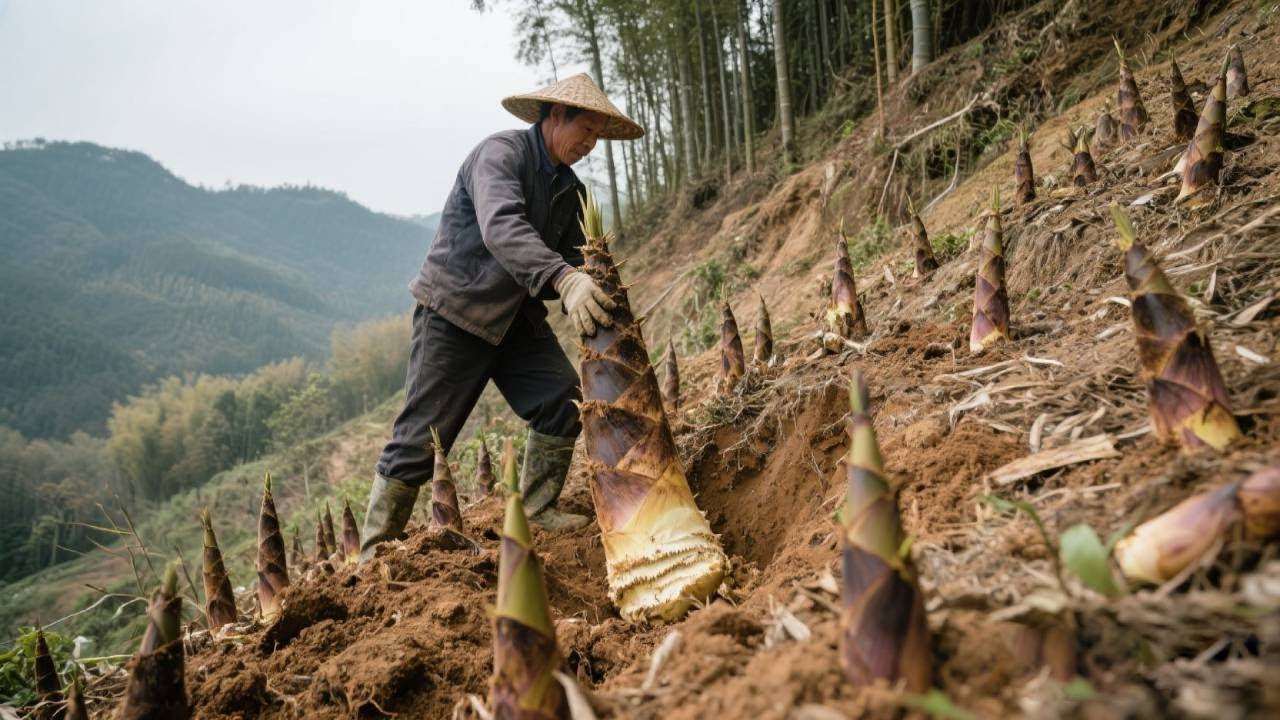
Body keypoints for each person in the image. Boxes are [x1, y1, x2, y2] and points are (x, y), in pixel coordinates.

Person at [360, 74, 644, 560]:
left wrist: (597, 289)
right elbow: (502, 228)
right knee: (421, 441)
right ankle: (373, 553)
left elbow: (576, 258)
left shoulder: (568, 189)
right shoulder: (500, 155)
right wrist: (563, 279)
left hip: (515, 322)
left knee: (561, 397)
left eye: (599, 136)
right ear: (556, 116)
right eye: (586, 131)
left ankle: (535, 508)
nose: (591, 144)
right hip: (456, 314)